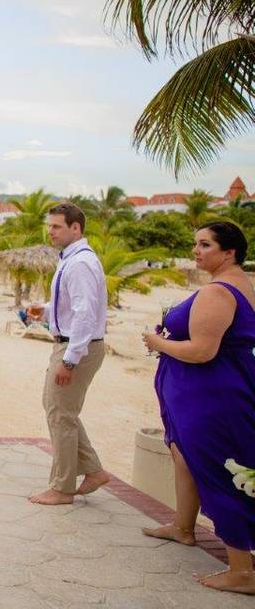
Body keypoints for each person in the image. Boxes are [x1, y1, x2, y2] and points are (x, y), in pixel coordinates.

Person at [141, 222, 255, 595]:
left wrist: (158, 342)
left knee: (218, 469)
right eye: (195, 244)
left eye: (205, 245)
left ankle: (242, 570)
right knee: (185, 459)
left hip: (210, 398)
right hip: (212, 392)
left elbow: (202, 350)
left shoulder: (219, 292)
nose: (196, 251)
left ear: (229, 252)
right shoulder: (241, 284)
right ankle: (183, 526)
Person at [26, 203, 111, 505]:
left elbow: (85, 315)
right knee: (59, 410)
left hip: (77, 346)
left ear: (76, 228)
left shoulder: (79, 264)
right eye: (49, 226)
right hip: (72, 342)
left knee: (60, 414)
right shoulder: (71, 260)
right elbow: (75, 306)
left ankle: (62, 489)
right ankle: (93, 470)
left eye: (56, 226)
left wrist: (70, 360)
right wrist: (45, 310)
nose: (50, 231)